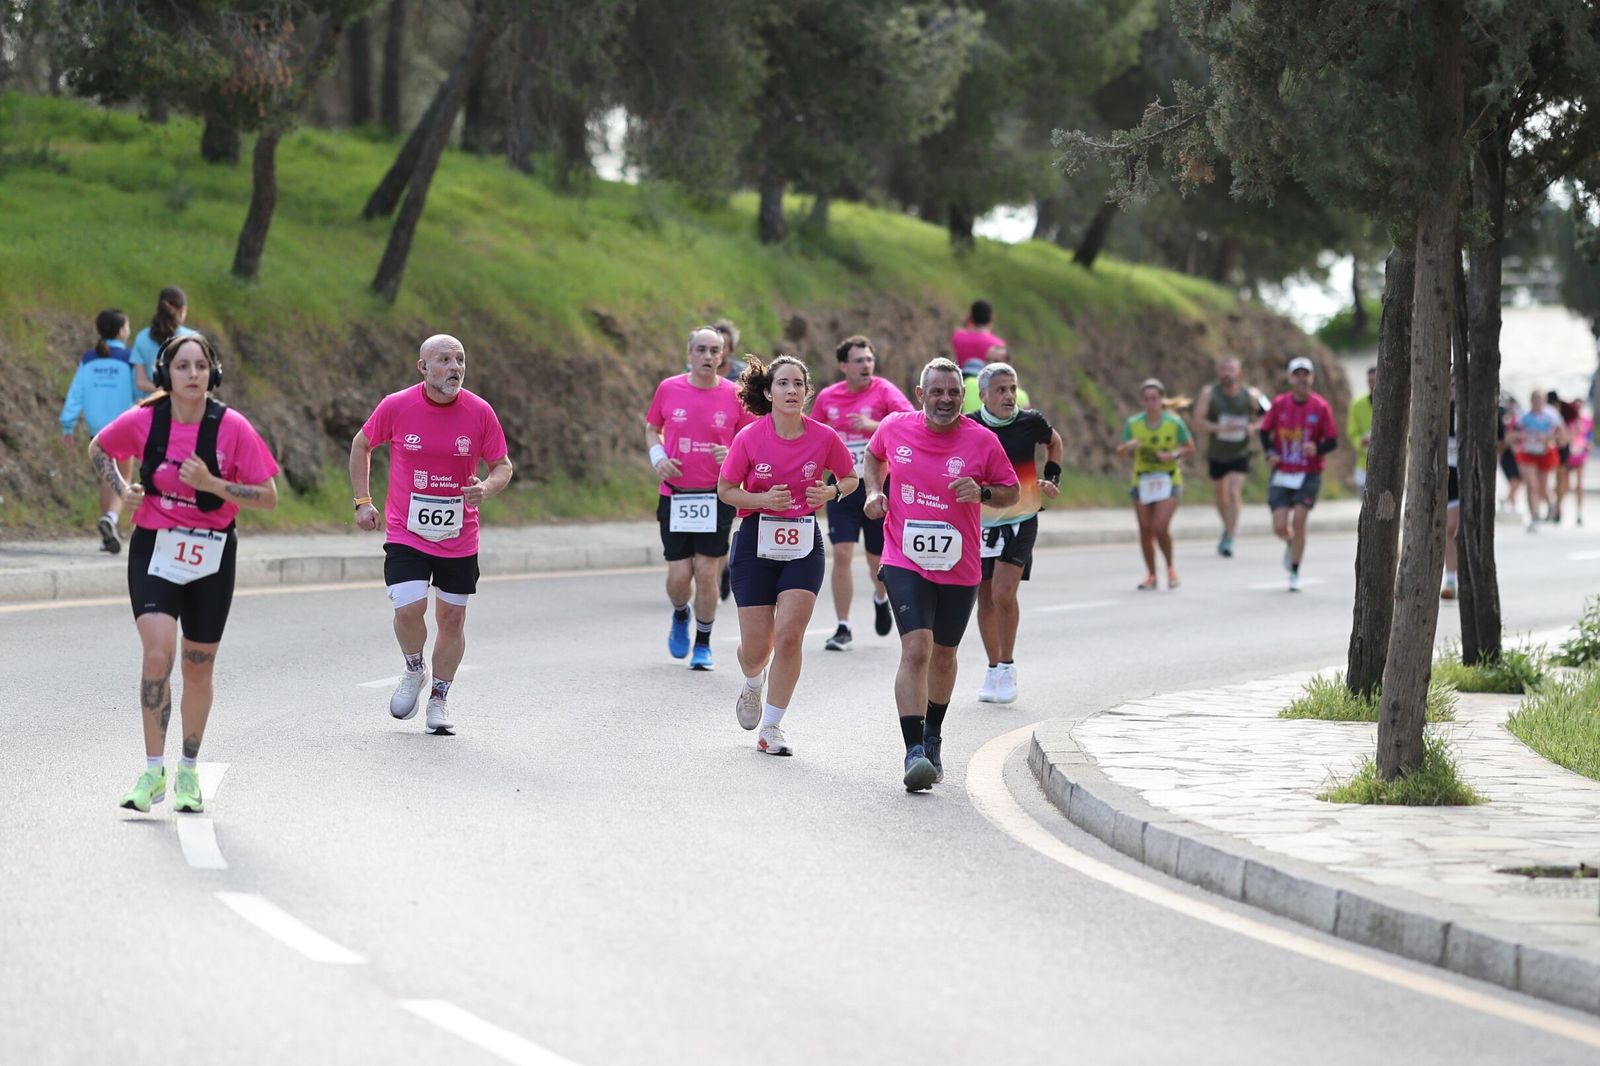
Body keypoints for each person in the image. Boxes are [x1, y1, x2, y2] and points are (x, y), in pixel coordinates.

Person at [90, 334, 280, 813]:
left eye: (200, 366)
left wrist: (212, 483)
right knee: (158, 655)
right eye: (182, 366)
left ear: (213, 374)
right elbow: (99, 448)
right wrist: (123, 490)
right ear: (165, 374)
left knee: (198, 666)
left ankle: (188, 771)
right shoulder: (145, 419)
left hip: (212, 553)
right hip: (155, 545)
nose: (192, 374)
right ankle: (152, 772)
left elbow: (268, 496)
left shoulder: (231, 427)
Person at [863, 358, 1019, 792]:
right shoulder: (894, 427)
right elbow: (873, 456)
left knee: (944, 656)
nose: (945, 400)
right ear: (921, 395)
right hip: (903, 558)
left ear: (963, 397)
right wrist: (874, 491)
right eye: (937, 392)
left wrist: (983, 492)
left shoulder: (982, 440)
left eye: (953, 393)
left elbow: (1011, 491)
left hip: (959, 565)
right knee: (917, 649)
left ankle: (932, 736)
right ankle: (913, 751)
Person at [349, 335, 514, 736]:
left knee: (451, 619)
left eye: (460, 360)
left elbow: (502, 465)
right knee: (408, 609)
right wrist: (363, 501)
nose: (455, 367)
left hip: (459, 534)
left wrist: (486, 488)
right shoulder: (397, 405)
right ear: (422, 367)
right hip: (406, 531)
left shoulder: (479, 412)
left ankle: (439, 698)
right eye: (444, 360)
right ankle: (414, 669)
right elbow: (362, 444)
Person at [718, 356, 858, 756]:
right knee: (757, 650)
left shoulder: (824, 437)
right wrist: (762, 499)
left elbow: (850, 477)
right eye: (783, 383)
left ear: (807, 392)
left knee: (790, 636)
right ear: (768, 392)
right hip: (755, 542)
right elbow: (726, 489)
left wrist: (832, 492)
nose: (791, 390)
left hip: (802, 543)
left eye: (798, 384)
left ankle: (772, 727)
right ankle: (752, 681)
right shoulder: (750, 437)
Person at [645, 326, 755, 669]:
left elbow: (751, 440)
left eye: (714, 350)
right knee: (680, 577)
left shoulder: (735, 395)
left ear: (723, 356)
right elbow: (652, 428)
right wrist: (658, 458)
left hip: (716, 495)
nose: (708, 356)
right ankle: (681, 613)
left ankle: (703, 644)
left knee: (707, 572)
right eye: (701, 350)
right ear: (689, 353)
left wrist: (733, 454)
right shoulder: (669, 388)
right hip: (675, 494)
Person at [811, 335, 914, 650]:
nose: (866, 365)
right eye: (859, 360)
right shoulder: (828, 398)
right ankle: (843, 627)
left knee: (875, 560)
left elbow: (912, 423)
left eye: (869, 359)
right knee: (842, 553)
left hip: (876, 486)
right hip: (842, 485)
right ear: (843, 366)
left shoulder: (884, 390)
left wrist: (872, 425)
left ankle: (880, 597)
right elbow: (812, 438)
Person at [969, 363, 1061, 703]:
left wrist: (1052, 477)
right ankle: (992, 667)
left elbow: (1054, 442)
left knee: (1004, 593)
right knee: (985, 598)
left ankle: (1007, 666)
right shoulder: (970, 426)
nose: (1009, 396)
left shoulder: (1030, 421)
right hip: (981, 523)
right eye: (1001, 390)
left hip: (1021, 519)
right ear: (983, 396)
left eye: (1012, 388)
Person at [61, 309, 138, 553]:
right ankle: (111, 519)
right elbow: (140, 392)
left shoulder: (88, 359)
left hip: (96, 428)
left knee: (106, 475)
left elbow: (76, 392)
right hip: (123, 426)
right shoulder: (130, 359)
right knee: (122, 476)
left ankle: (107, 534)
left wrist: (68, 424)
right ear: (122, 331)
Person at [1260, 356, 1338, 592]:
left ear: (1312, 378)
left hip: (1309, 472)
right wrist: (1270, 453)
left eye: (1306, 374)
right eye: (1297, 374)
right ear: (1290, 378)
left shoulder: (1320, 407)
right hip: (1283, 471)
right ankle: (1290, 543)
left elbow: (1332, 440)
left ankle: (1294, 570)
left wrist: (1317, 448)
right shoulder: (1280, 404)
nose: (1302, 379)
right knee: (1279, 525)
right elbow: (1264, 431)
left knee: (1299, 521)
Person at [1116, 379, 1195, 590]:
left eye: (1154, 399)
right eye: (1146, 399)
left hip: (1168, 479)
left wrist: (1173, 455)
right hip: (1142, 480)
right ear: (1142, 401)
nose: (1150, 403)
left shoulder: (1174, 423)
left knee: (1160, 527)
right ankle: (1151, 575)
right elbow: (1120, 451)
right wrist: (1128, 447)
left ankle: (1170, 568)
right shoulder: (1134, 424)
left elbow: (1190, 447)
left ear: (1161, 400)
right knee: (1145, 530)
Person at [1195, 357, 1266, 556]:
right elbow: (1198, 421)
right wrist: (1219, 427)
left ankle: (1230, 536)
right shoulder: (1209, 393)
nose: (1227, 373)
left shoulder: (1251, 394)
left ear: (1239, 372)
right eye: (1224, 369)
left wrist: (1253, 427)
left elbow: (1269, 414)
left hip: (1240, 451)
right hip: (1217, 452)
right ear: (1219, 372)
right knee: (1221, 497)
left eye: (1231, 369)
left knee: (1234, 492)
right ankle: (1227, 528)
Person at [131, 287, 198, 395]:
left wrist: (165, 391)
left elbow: (141, 382)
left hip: (150, 401)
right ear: (182, 310)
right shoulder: (192, 337)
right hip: (182, 402)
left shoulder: (142, 337)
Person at [1515, 390, 1565, 531]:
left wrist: (1548, 438)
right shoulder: (1524, 415)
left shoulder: (1551, 415)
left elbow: (1561, 435)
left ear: (1544, 400)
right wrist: (1523, 436)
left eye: (1540, 398)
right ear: (1531, 400)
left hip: (1545, 453)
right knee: (1532, 485)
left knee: (1542, 488)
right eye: (1535, 398)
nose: (1537, 401)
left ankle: (1550, 504)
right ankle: (1534, 517)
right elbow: (1513, 433)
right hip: (1528, 452)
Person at [962, 343, 1029, 414]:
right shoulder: (968, 383)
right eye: (987, 360)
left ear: (1008, 365)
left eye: (996, 361)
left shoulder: (1022, 397)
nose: (990, 364)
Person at [1346, 365, 1376, 496]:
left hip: (1389, 464)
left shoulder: (1397, 404)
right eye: (1371, 381)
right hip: (1364, 464)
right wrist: (1360, 441)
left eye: (1376, 380)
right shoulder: (1357, 405)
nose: (1373, 384)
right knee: (1364, 501)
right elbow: (1352, 433)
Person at [950, 299, 1005, 370]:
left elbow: (962, 328)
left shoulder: (958, 337)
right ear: (991, 318)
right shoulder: (998, 344)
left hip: (962, 375)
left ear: (970, 317)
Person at [1565, 401, 1591, 526]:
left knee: (1579, 485)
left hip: (1581, 455)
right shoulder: (1568, 420)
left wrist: (1588, 444)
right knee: (1565, 485)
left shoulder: (1586, 421)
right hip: (1569, 456)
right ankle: (1559, 509)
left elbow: (1589, 436)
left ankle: (1579, 513)